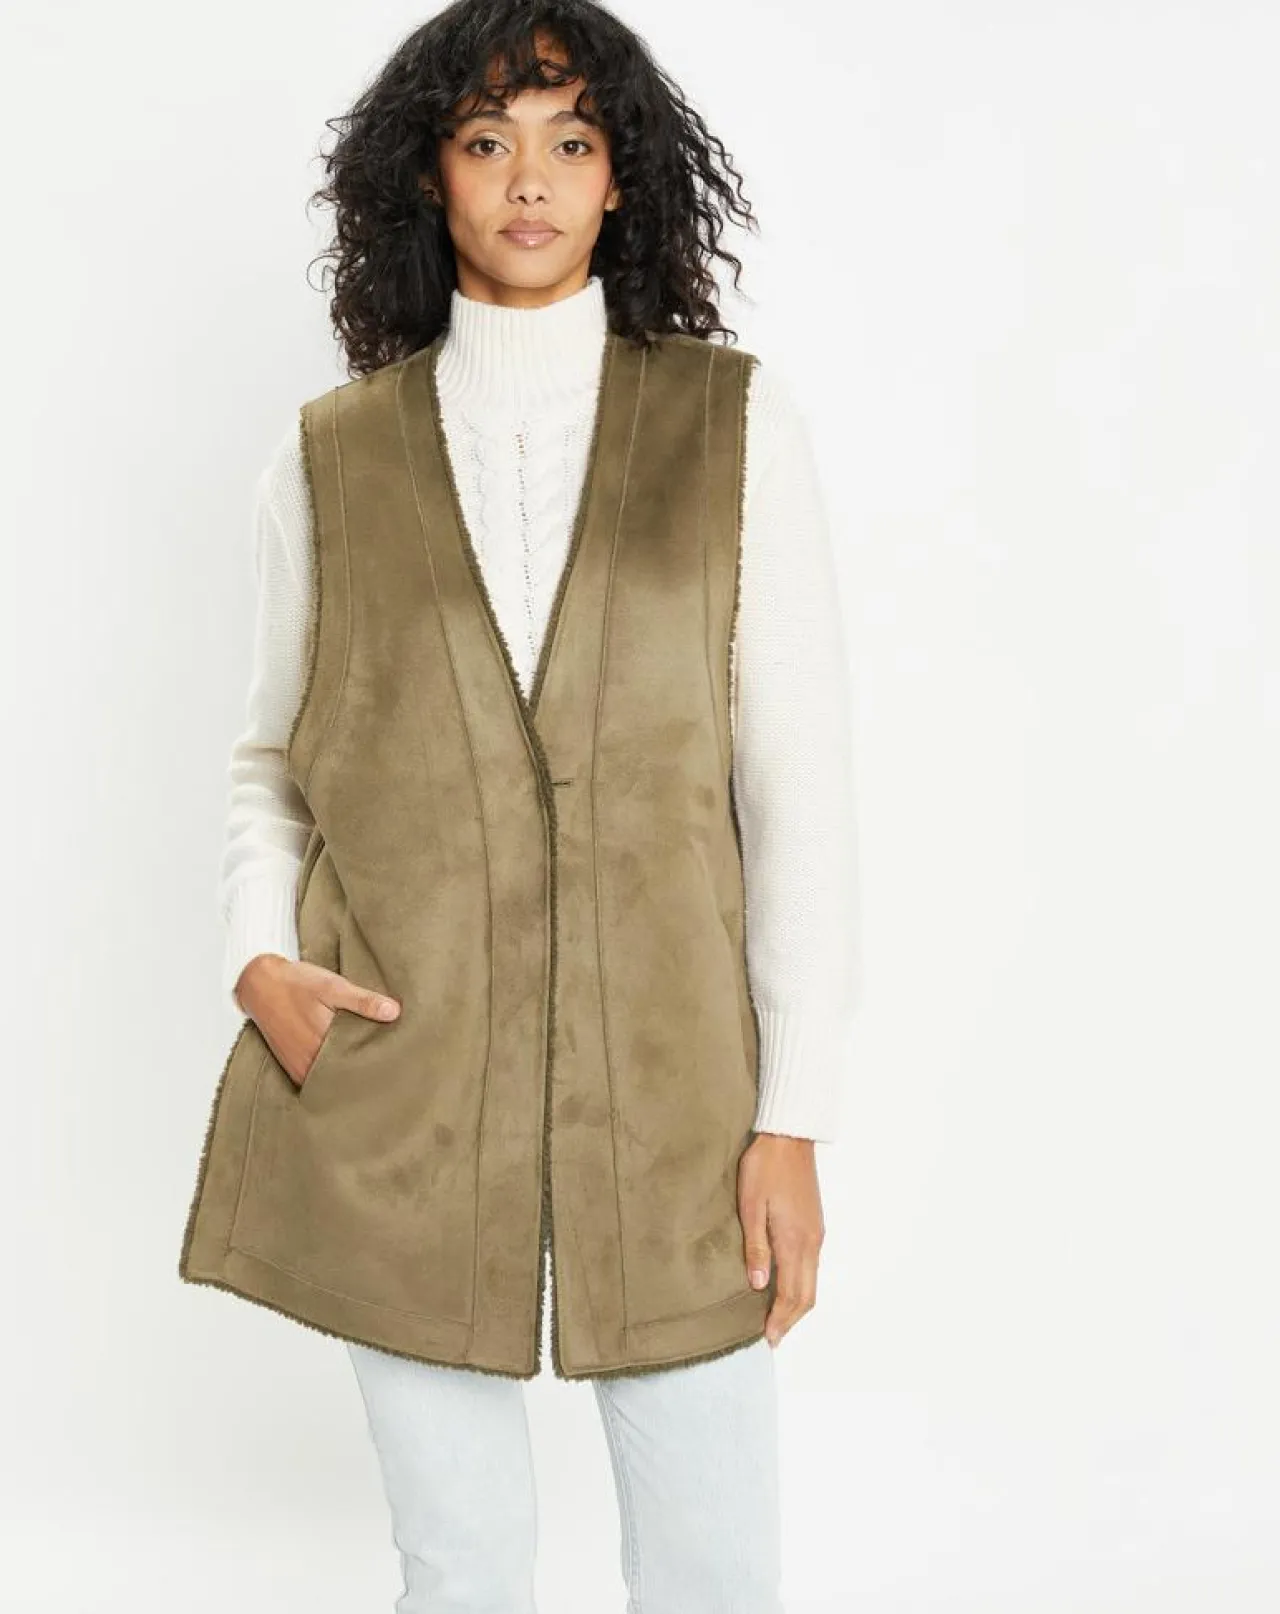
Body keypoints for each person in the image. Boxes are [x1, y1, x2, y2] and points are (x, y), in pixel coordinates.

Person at [181, 2, 858, 1609]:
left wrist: (794, 1113)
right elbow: (272, 756)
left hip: (682, 1098)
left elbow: (799, 791)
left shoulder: (733, 428)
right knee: (461, 1560)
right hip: (397, 1086)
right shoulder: (329, 459)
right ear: (432, 175)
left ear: (624, 177)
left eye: (571, 140)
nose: (530, 179)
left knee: (714, 1564)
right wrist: (258, 955)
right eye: (488, 141)